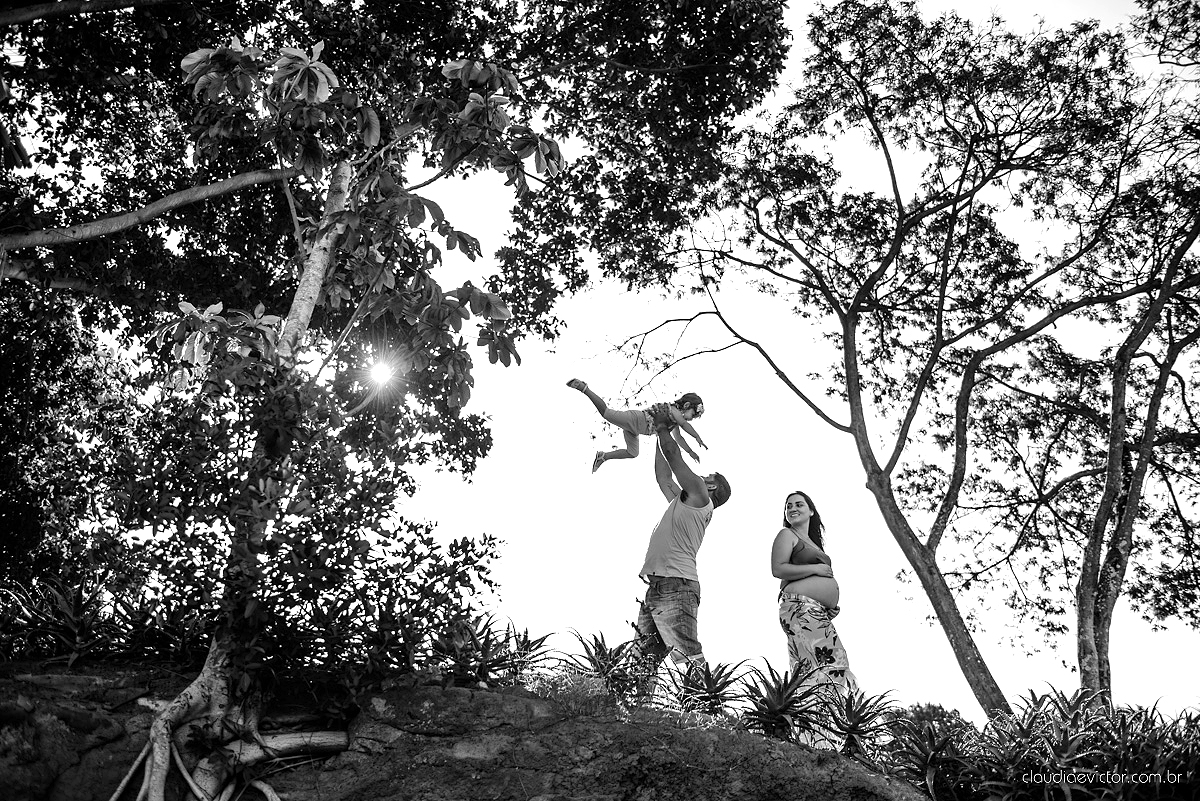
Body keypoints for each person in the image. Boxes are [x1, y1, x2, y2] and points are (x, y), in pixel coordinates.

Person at [633, 403, 731, 683]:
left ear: (711, 487)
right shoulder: (685, 502)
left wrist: (664, 425)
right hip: (659, 585)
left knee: (688, 655)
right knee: (643, 662)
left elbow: (675, 458)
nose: (701, 477)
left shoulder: (701, 497)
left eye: (706, 476)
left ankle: (706, 709)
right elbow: (664, 477)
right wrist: (657, 433)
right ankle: (635, 712)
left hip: (677, 585)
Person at [771, 490, 857, 744]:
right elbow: (778, 569)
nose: (793, 508)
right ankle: (820, 736)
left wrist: (827, 604)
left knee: (810, 671)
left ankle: (815, 737)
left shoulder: (812, 542)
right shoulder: (787, 534)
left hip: (811, 611)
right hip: (799, 609)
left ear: (811, 511)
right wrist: (817, 569)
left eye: (799, 504)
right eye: (788, 506)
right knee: (834, 664)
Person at [566, 378, 706, 472]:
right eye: (693, 414)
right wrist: (697, 437)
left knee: (633, 453)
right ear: (687, 405)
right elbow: (683, 424)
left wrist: (690, 452)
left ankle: (603, 456)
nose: (692, 419)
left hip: (635, 430)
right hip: (636, 420)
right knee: (607, 413)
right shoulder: (674, 411)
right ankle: (584, 388)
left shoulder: (674, 422)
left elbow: (679, 439)